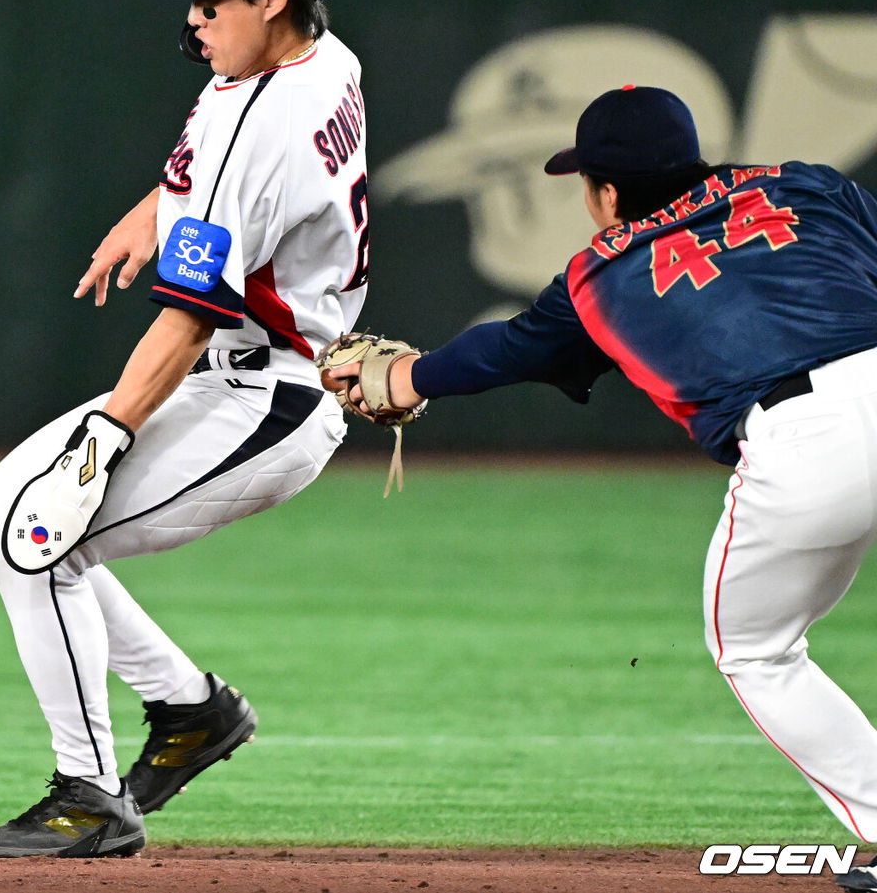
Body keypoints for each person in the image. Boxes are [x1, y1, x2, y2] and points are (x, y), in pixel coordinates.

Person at [330, 84, 877, 889]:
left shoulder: (601, 273)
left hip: (802, 447)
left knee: (756, 649)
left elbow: (507, 350)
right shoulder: (805, 185)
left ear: (607, 191)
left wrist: (405, 376)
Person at [0, 0, 368, 859]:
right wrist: (157, 208)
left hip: (266, 393)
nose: (192, 14)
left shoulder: (272, 114)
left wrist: (106, 437)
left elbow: (192, 315)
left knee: (37, 539)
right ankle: (190, 709)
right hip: (235, 371)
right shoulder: (316, 54)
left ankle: (90, 796)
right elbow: (218, 173)